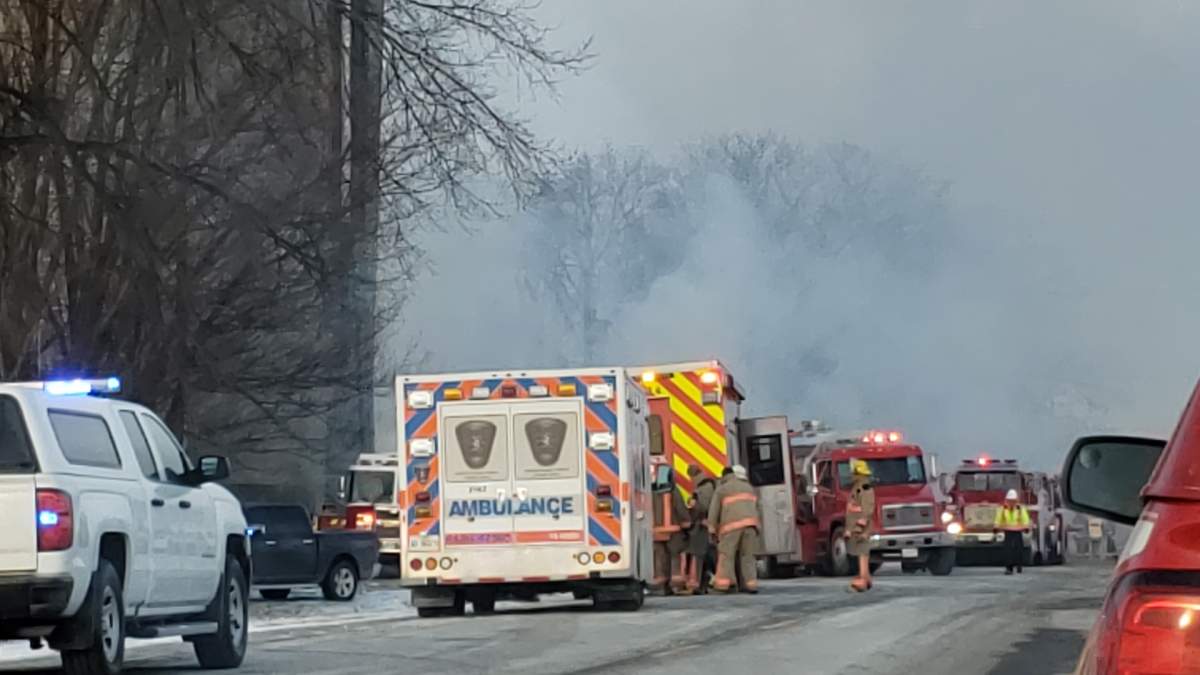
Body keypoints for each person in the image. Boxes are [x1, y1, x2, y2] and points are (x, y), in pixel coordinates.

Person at [707, 464, 761, 593]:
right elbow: (757, 508)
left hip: (732, 527)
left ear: (724, 476)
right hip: (751, 527)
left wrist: (711, 528)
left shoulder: (723, 489)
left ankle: (724, 585)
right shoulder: (749, 488)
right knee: (747, 556)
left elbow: (714, 510)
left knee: (726, 555)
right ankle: (751, 584)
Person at [651, 465, 691, 594]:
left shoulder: (650, 492)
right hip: (673, 531)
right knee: (675, 556)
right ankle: (676, 585)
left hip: (656, 532)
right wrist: (687, 523)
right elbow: (680, 508)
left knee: (659, 559)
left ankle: (661, 586)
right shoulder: (673, 491)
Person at [683, 464, 717, 594]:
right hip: (708, 526)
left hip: (702, 527)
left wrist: (692, 504)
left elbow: (701, 508)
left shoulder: (702, 489)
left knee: (700, 555)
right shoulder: (709, 485)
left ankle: (699, 584)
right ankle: (704, 583)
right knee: (707, 555)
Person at [845, 459, 876, 592]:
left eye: (853, 472)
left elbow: (867, 509)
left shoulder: (864, 488)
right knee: (861, 553)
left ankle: (862, 582)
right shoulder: (858, 487)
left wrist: (859, 527)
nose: (851, 475)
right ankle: (867, 580)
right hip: (856, 526)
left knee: (862, 553)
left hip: (861, 528)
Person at [994, 488, 1031, 574]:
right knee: (1008, 550)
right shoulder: (1002, 509)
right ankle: (1009, 568)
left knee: (1019, 549)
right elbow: (998, 519)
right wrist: (995, 528)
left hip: (1018, 531)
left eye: (1013, 500)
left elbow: (1025, 519)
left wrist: (1026, 528)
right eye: (1010, 500)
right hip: (1008, 532)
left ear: (1016, 500)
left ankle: (1019, 565)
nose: (1011, 502)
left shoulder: (1020, 509)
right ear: (1006, 500)